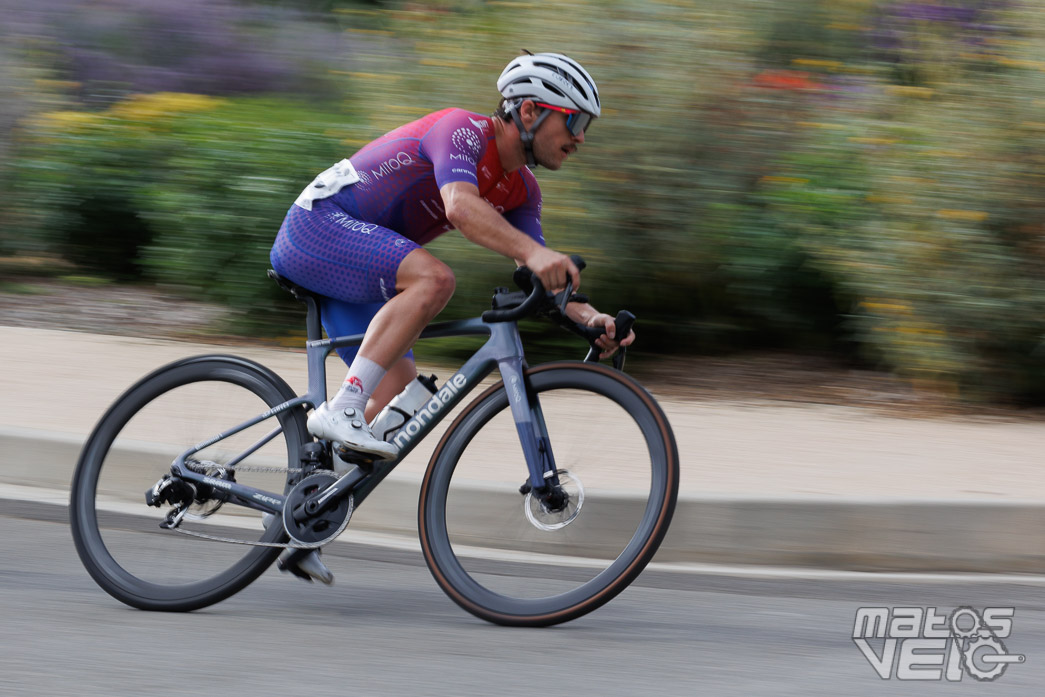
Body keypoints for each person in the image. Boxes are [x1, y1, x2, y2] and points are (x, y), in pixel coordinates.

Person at [268, 51, 634, 583]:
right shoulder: (463, 131)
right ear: (530, 112)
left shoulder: (521, 190)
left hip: (361, 256)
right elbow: (460, 207)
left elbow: (539, 270)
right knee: (435, 280)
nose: (580, 138)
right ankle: (341, 407)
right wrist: (535, 258)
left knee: (403, 400)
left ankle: (307, 513)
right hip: (319, 227)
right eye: (574, 122)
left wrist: (590, 317)